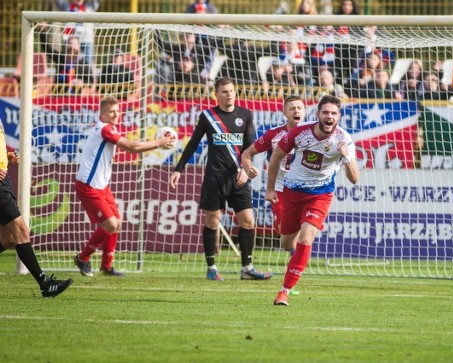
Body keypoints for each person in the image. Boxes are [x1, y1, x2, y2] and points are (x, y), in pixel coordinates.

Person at [170, 78, 272, 281]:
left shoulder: (245, 114)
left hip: (238, 177)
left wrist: (246, 169)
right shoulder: (208, 116)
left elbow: (250, 147)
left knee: (248, 221)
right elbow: (193, 143)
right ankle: (212, 268)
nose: (229, 94)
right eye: (225, 91)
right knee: (213, 221)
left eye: (232, 91)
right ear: (216, 94)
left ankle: (247, 268)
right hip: (214, 177)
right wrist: (179, 169)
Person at [267, 95, 360, 306]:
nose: (329, 116)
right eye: (325, 112)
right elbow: (276, 157)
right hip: (292, 191)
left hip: (320, 194)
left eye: (334, 113)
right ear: (317, 114)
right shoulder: (299, 133)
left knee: (306, 238)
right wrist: (271, 189)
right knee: (286, 242)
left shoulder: (343, 139)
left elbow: (355, 178)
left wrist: (346, 156)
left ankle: (284, 291)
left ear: (338, 117)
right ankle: (302, 230)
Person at [74, 96, 176, 277]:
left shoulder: (109, 128)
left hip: (101, 186)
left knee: (116, 223)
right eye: (111, 112)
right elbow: (131, 146)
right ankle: (82, 258)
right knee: (110, 224)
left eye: (117, 111)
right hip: (89, 186)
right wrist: (159, 143)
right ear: (102, 115)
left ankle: (106, 266)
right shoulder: (104, 129)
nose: (115, 114)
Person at [0, 128, 73, 297]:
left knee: (8, 238)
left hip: (4, 181)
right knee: (21, 231)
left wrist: (6, 155)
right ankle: (45, 283)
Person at [241, 96, 306, 235]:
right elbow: (246, 153)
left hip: (305, 188)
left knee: (306, 231)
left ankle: (298, 255)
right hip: (280, 189)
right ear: (285, 113)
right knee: (285, 232)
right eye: (292, 108)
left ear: (305, 111)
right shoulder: (274, 134)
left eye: (299, 108)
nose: (296, 111)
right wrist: (247, 168)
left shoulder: (313, 133)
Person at [41, 0, 114, 65]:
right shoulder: (66, 7)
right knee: (65, 65)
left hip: (86, 42)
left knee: (87, 67)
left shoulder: (89, 8)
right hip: (69, 42)